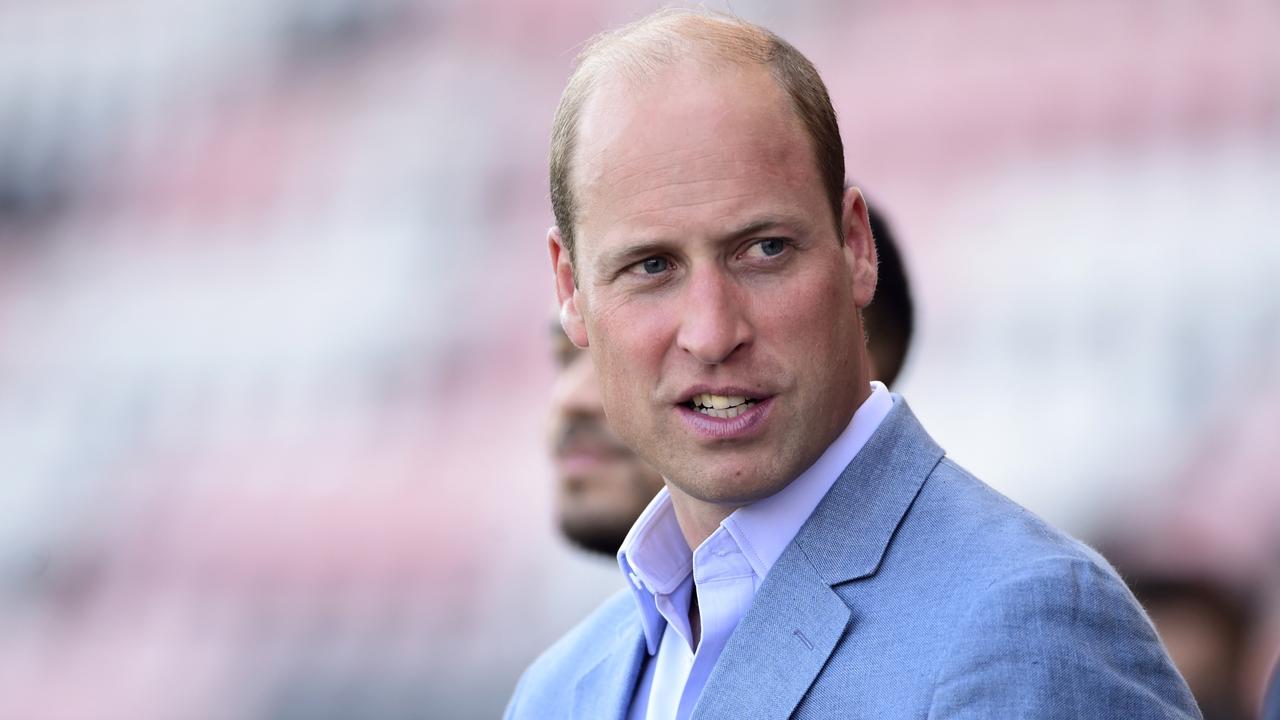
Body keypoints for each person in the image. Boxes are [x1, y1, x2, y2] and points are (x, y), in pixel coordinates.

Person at [508, 9, 1198, 719]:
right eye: (652, 266)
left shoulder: (1030, 627)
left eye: (764, 249)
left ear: (856, 248)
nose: (712, 333)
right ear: (571, 290)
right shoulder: (557, 691)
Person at [549, 204, 913, 558]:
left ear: (853, 355)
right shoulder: (634, 615)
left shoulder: (951, 595)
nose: (571, 398)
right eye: (565, 355)